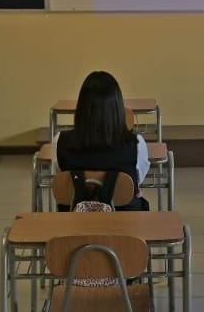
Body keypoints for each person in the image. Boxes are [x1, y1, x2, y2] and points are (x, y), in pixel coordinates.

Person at [56, 71, 150, 211]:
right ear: (118, 108)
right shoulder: (137, 144)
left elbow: (63, 181)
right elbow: (135, 181)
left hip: (74, 218)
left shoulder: (60, 141)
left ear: (81, 108)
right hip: (125, 220)